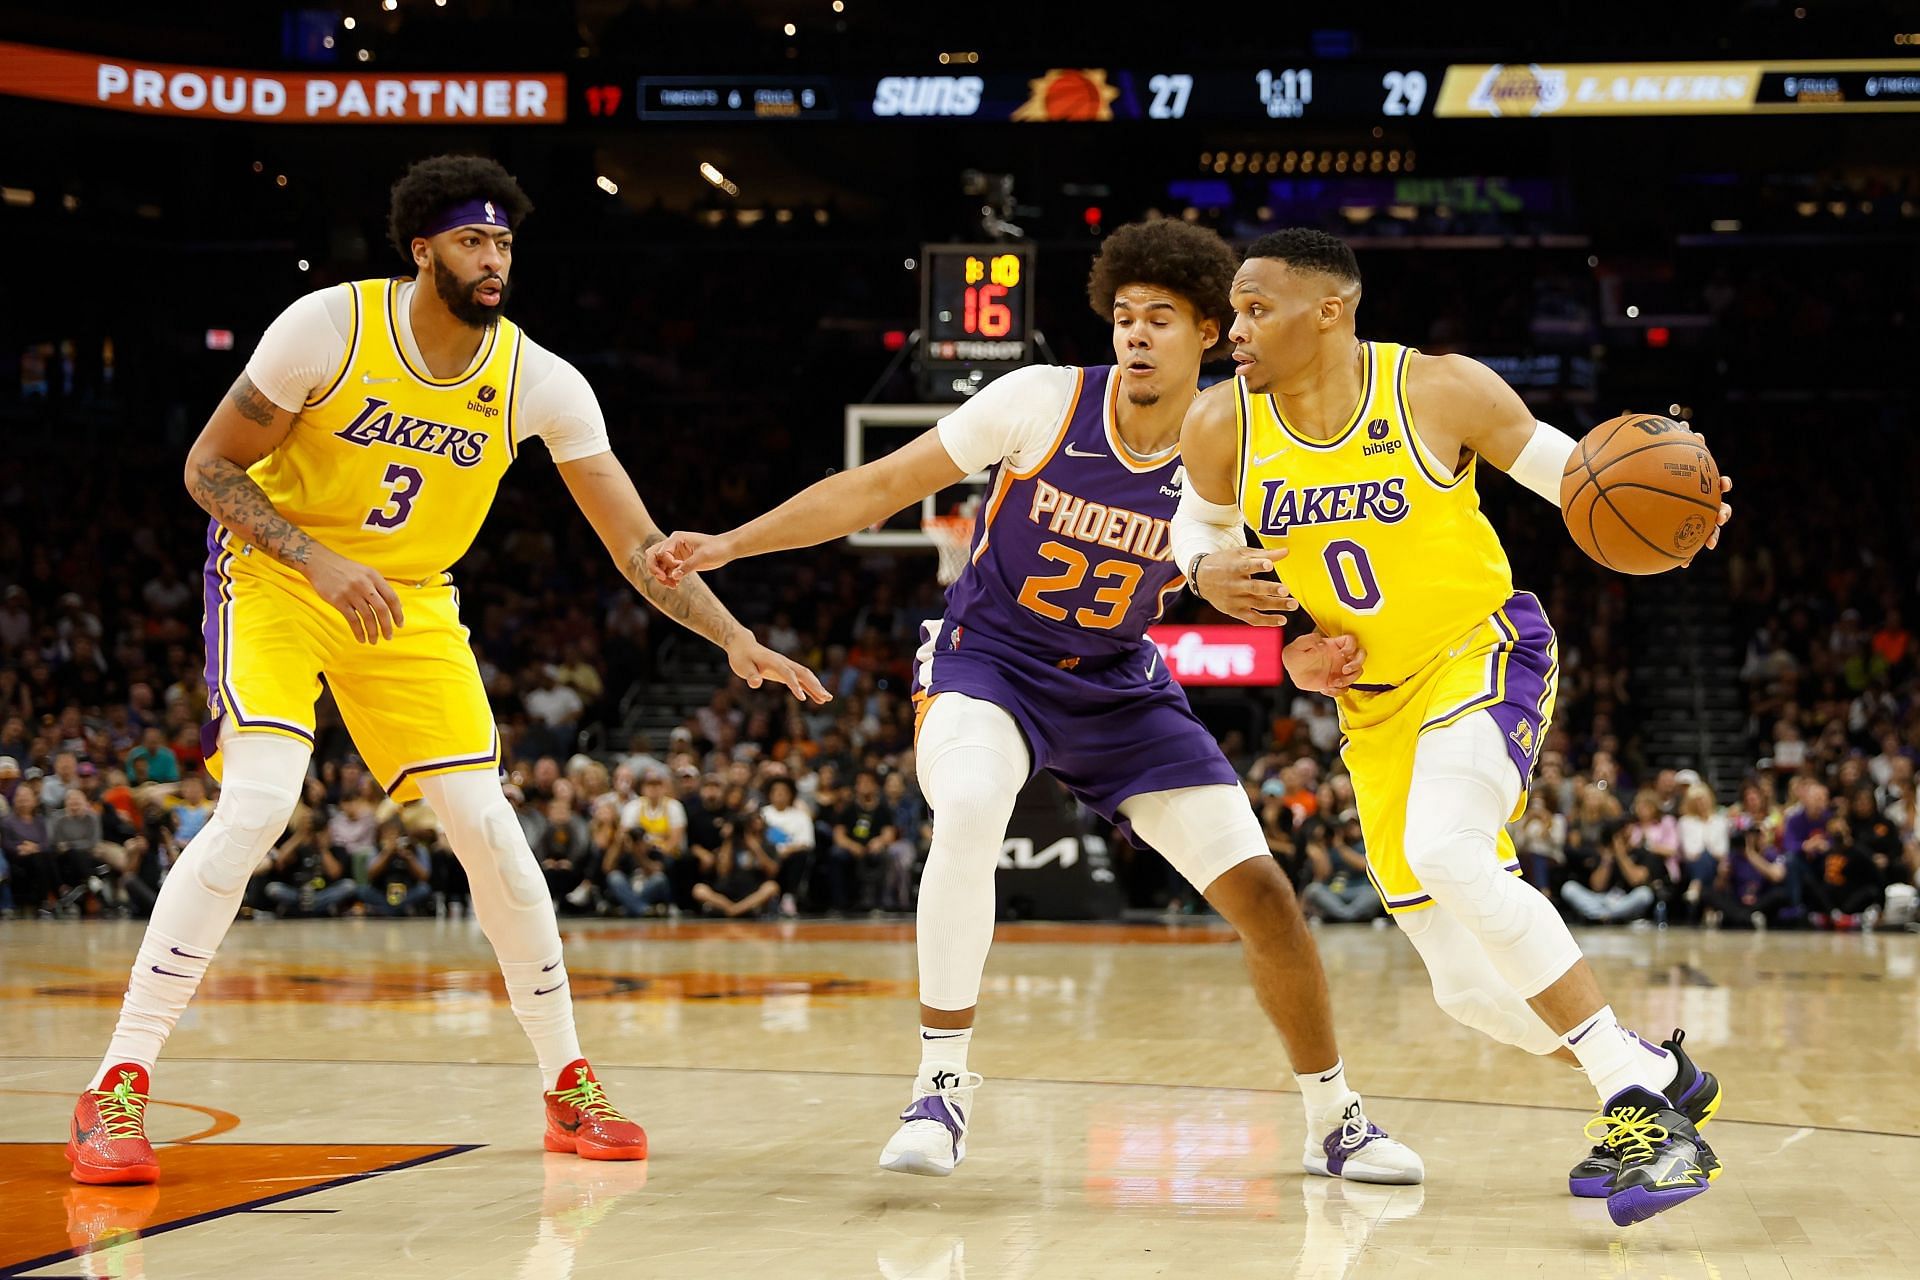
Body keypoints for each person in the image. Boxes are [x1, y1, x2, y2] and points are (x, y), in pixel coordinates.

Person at [68, 154, 828, 1187]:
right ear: (423, 249)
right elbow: (208, 467)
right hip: (282, 577)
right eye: (474, 240)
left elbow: (636, 544)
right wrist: (318, 558)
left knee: (491, 830)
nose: (493, 259)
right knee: (258, 807)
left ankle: (568, 1079)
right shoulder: (325, 328)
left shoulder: (539, 379)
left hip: (411, 601)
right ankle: (117, 1083)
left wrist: (732, 636)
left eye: (505, 243)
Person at [649, 220, 1419, 1185]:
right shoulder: (1041, 401)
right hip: (993, 660)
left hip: (1119, 683)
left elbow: (1296, 571)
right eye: (1125, 318)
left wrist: (1305, 647)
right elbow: (881, 485)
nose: (1136, 335)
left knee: (1265, 896)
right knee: (970, 808)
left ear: (1212, 335)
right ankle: (940, 1087)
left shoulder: (1242, 438)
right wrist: (730, 544)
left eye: (1163, 320)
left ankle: (1333, 1117)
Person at [1173, 228, 1733, 1225]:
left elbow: (1582, 477)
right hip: (1372, 706)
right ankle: (1651, 1067)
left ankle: (1644, 1113)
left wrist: (1687, 499)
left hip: (1480, 651)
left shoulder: (1437, 391)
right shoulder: (1222, 424)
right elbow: (1200, 533)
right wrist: (1228, 593)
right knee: (1468, 992)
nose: (1236, 330)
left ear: (1330, 310)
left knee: (1453, 850)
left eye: (1257, 309)